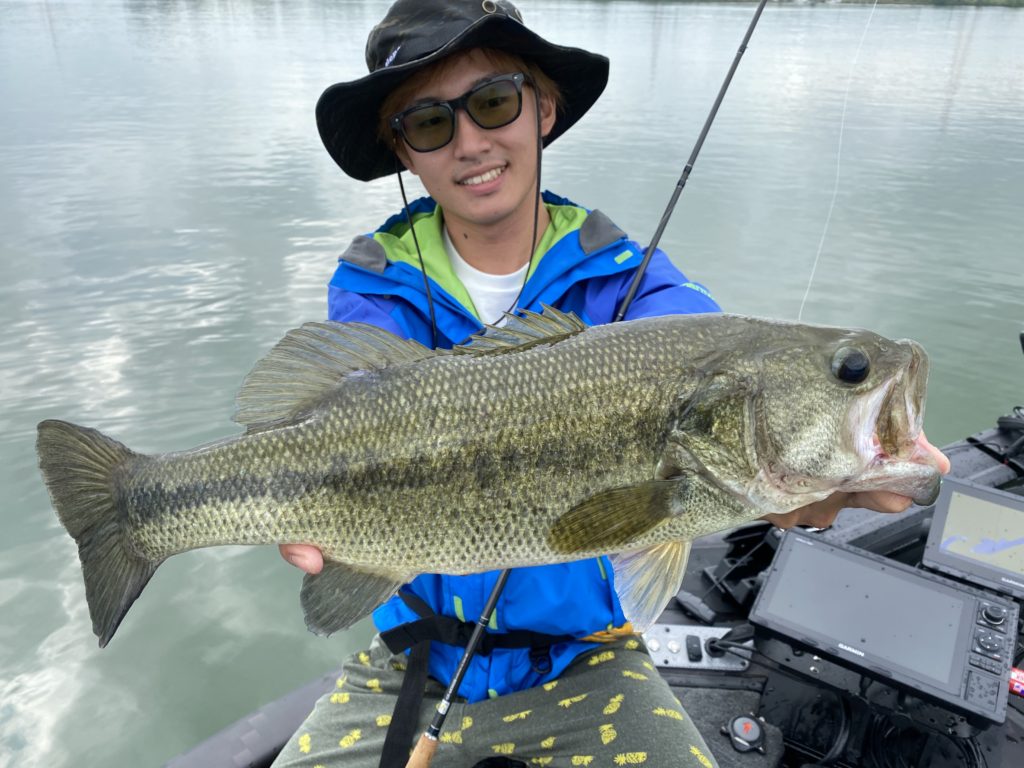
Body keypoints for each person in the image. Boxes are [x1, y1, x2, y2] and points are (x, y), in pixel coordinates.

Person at [272, 2, 951, 766]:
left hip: (586, 657)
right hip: (407, 666)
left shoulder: (638, 290)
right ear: (402, 150)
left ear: (544, 107)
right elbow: (340, 425)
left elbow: (715, 378)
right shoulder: (372, 289)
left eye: (493, 101)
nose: (470, 142)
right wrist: (299, 506)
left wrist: (814, 490)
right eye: (429, 122)